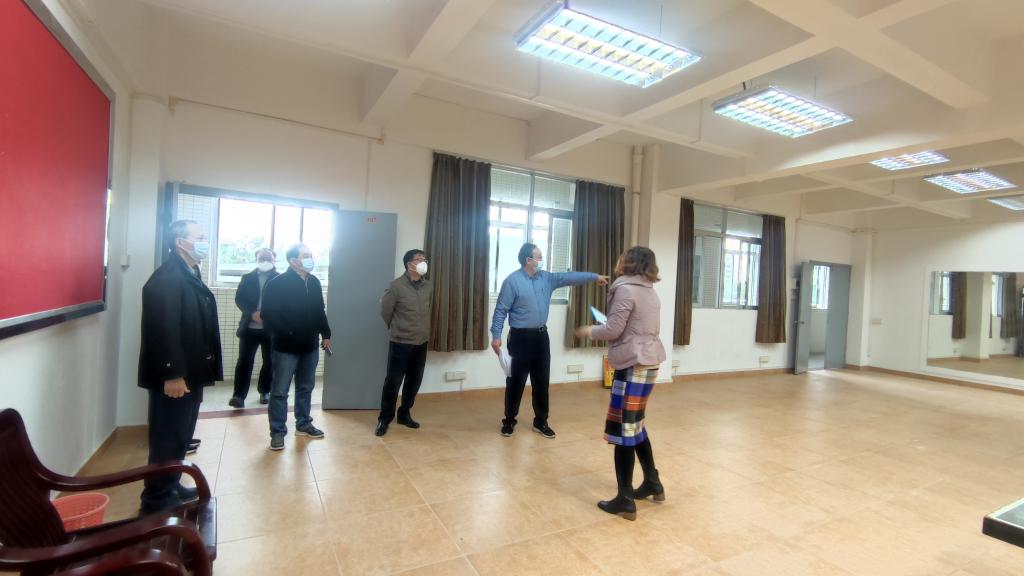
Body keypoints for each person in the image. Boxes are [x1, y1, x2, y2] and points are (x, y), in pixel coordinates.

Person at [576, 246, 667, 521]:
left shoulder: (625, 289)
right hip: (649, 362)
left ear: (628, 263)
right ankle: (652, 482)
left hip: (632, 364)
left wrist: (589, 330)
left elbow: (614, 329)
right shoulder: (650, 291)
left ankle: (625, 500)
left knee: (624, 431)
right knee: (635, 424)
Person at [137, 220, 223, 513]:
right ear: (180, 242)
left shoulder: (189, 272)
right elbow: (163, 329)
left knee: (180, 435)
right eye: (200, 237)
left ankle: (171, 484)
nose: (205, 241)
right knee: (167, 436)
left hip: (191, 372)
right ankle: (157, 499)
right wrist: (172, 373)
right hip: (176, 375)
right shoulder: (168, 278)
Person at [491, 242, 608, 439]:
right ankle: (509, 420)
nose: (541, 259)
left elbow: (569, 277)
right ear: (528, 260)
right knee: (515, 381)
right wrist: (496, 336)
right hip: (519, 338)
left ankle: (541, 421)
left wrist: (594, 277)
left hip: (541, 337)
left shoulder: (547, 278)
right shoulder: (512, 281)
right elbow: (501, 310)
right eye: (538, 257)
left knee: (542, 381)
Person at [261, 243, 331, 451]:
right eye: (305, 256)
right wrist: (288, 333)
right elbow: (268, 316)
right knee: (280, 391)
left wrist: (326, 334)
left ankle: (303, 423)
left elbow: (319, 311)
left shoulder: (314, 282)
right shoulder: (277, 283)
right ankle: (277, 432)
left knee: (305, 387)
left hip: (310, 346)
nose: (310, 259)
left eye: (311, 255)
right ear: (293, 261)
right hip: (285, 347)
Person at [376, 249, 432, 437]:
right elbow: (385, 311)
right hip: (400, 342)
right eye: (419, 259)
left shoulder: (428, 286)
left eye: (425, 259)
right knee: (393, 382)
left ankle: (404, 413)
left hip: (421, 342)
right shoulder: (396, 286)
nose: (424, 262)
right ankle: (385, 418)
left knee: (414, 381)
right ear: (409, 264)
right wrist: (397, 328)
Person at [229, 248, 279, 408]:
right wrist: (252, 312)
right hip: (249, 328)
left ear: (275, 260)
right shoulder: (247, 278)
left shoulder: (280, 279)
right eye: (261, 258)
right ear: (256, 259)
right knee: (244, 361)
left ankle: (265, 391)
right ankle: (238, 395)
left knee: (269, 362)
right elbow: (239, 298)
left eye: (268, 258)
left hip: (270, 329)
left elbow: (283, 301)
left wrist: (267, 315)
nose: (265, 261)